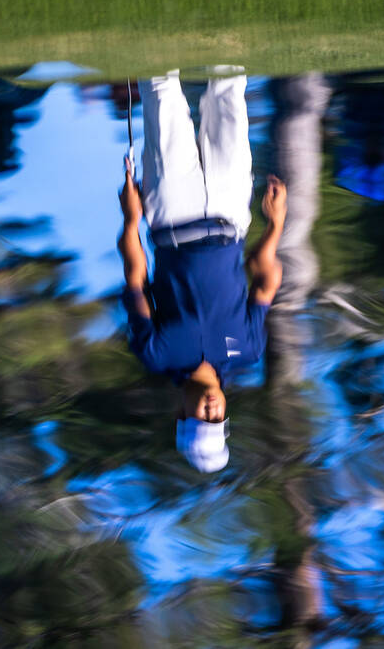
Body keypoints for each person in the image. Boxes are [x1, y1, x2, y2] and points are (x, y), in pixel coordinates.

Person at [117, 70, 286, 472]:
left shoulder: (155, 354)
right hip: (231, 213)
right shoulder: (247, 350)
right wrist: (276, 225)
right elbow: (265, 281)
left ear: (181, 416)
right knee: (230, 84)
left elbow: (136, 279)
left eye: (201, 420)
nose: (211, 411)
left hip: (171, 214)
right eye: (217, 420)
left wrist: (129, 220)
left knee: (160, 88)